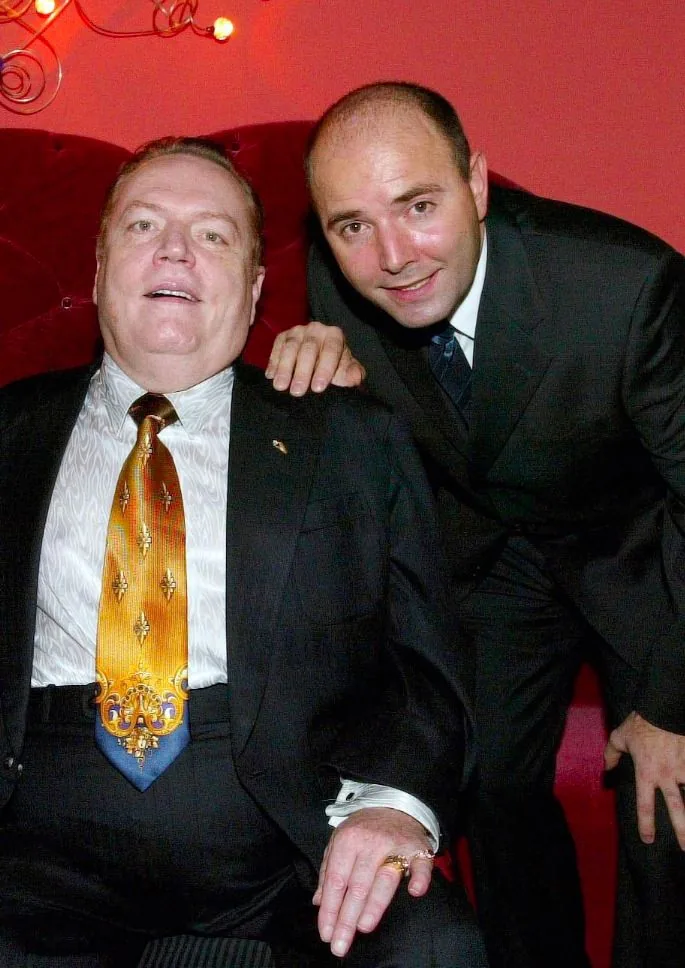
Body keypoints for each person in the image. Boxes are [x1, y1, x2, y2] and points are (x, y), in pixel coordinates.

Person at [0, 136, 488, 968]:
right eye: (144, 225)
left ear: (255, 287)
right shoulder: (9, 432)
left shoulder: (349, 437)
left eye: (213, 235)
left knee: (434, 946)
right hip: (35, 849)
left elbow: (426, 668)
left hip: (291, 841)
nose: (175, 250)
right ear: (98, 269)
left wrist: (396, 806)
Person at [265, 82, 685, 968]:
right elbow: (389, 455)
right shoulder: (334, 282)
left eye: (418, 207)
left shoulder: (624, 285)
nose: (392, 256)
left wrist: (669, 705)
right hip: (492, 559)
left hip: (643, 547)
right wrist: (335, 401)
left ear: (478, 185)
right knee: (484, 779)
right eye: (352, 226)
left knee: (667, 796)